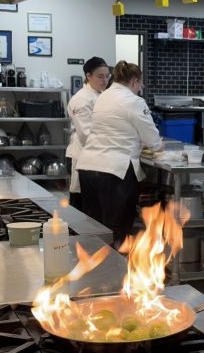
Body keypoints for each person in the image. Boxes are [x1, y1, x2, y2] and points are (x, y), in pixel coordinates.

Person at [76, 60, 163, 247]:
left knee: (95, 230)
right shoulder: (134, 101)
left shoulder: (103, 96)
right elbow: (153, 140)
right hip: (115, 171)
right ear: (134, 81)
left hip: (88, 168)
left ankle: (94, 272)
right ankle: (114, 273)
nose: (141, 88)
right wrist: (158, 145)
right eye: (140, 84)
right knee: (117, 230)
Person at [65, 57, 109, 210]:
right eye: (100, 76)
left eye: (107, 76)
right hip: (82, 155)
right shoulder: (81, 99)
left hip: (95, 155)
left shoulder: (101, 95)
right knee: (82, 203)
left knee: (94, 203)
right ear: (88, 76)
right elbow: (85, 134)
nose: (105, 80)